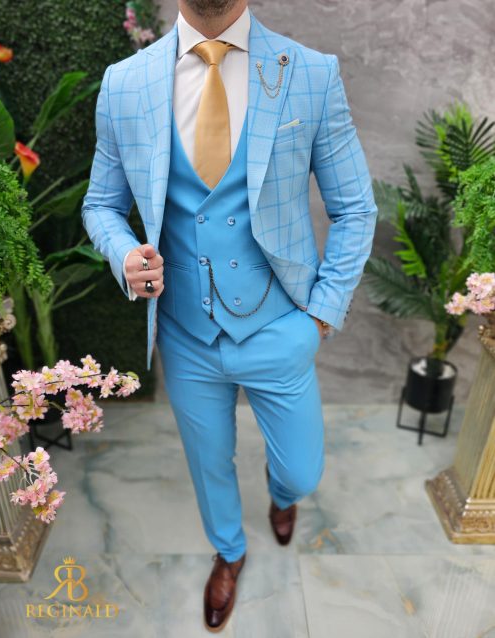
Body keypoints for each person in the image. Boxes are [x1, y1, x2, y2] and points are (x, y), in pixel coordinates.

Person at [81, 0, 378, 631]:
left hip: (281, 325)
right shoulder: (124, 83)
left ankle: (281, 493)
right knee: (208, 462)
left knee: (302, 471)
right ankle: (229, 551)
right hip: (185, 332)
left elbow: (355, 208)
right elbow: (100, 204)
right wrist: (123, 253)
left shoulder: (311, 72)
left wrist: (320, 317)